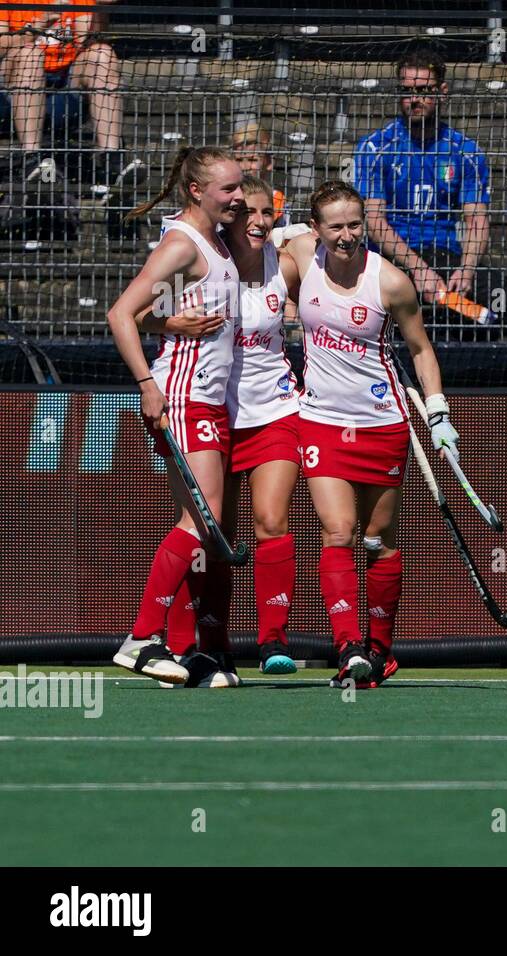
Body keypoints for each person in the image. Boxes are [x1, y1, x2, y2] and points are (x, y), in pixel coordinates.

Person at [280, 180, 453, 688]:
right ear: (317, 228)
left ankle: (381, 650)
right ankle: (349, 647)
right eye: (336, 226)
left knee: (378, 541)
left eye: (355, 224)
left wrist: (438, 411)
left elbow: (420, 349)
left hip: (383, 422)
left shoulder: (392, 282)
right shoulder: (301, 253)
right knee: (338, 533)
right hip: (321, 419)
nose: (348, 235)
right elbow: (249, 240)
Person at [140, 176, 302, 683]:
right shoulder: (206, 263)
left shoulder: (289, 263)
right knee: (213, 536)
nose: (257, 221)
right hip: (216, 411)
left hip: (275, 410)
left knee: (271, 520)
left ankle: (273, 638)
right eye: (246, 212)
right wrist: (172, 326)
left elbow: (331, 238)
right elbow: (142, 314)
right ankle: (204, 648)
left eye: (266, 214)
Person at [105, 146, 244, 685]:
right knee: (202, 518)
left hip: (208, 397)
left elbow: (151, 316)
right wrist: (146, 384)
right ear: (197, 191)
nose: (236, 198)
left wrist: (167, 325)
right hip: (184, 394)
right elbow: (121, 314)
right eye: (227, 190)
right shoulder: (182, 244)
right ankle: (141, 638)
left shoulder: (212, 241)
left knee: (203, 527)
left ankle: (182, 650)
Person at [354, 49, 507, 338]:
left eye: (424, 90)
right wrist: (419, 269)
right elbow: (375, 223)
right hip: (394, 259)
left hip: (447, 257)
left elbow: (477, 221)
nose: (415, 99)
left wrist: (467, 269)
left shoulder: (466, 151)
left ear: (442, 91)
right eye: (407, 91)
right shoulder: (375, 148)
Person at [0, 0, 139, 192]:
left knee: (101, 53)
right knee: (30, 55)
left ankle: (111, 156)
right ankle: (31, 158)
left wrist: (98, 10)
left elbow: (89, 38)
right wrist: (36, 29)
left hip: (66, 88)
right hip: (14, 90)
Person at [230, 122, 287, 227]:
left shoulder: (276, 198)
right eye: (238, 159)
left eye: (253, 159)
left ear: (269, 162)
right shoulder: (227, 195)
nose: (245, 167)